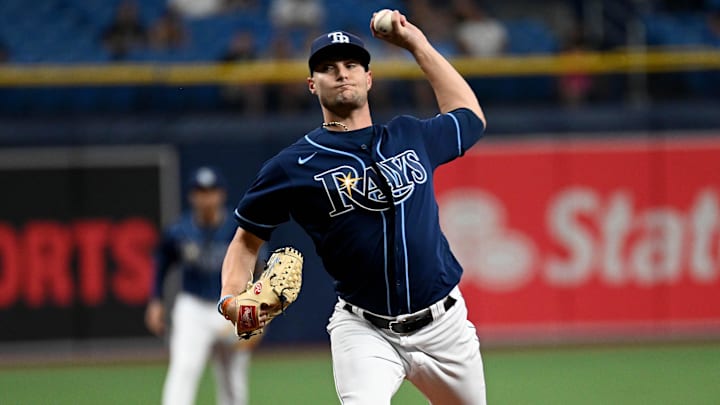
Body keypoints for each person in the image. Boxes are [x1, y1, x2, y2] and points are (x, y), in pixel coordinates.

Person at [219, 10, 488, 405]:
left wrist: (416, 43)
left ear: (368, 78)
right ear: (313, 85)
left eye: (351, 65)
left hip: (445, 326)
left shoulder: (410, 135)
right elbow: (246, 241)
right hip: (365, 330)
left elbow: (470, 118)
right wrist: (230, 299)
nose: (342, 73)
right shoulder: (292, 166)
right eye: (328, 68)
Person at [145, 166, 259, 405]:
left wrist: (255, 312)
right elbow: (161, 263)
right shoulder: (179, 231)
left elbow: (258, 268)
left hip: (230, 305)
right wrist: (156, 300)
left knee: (233, 380)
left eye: (210, 191)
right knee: (184, 369)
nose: (206, 197)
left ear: (221, 194)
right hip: (193, 307)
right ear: (192, 196)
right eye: (200, 191)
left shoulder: (237, 229)